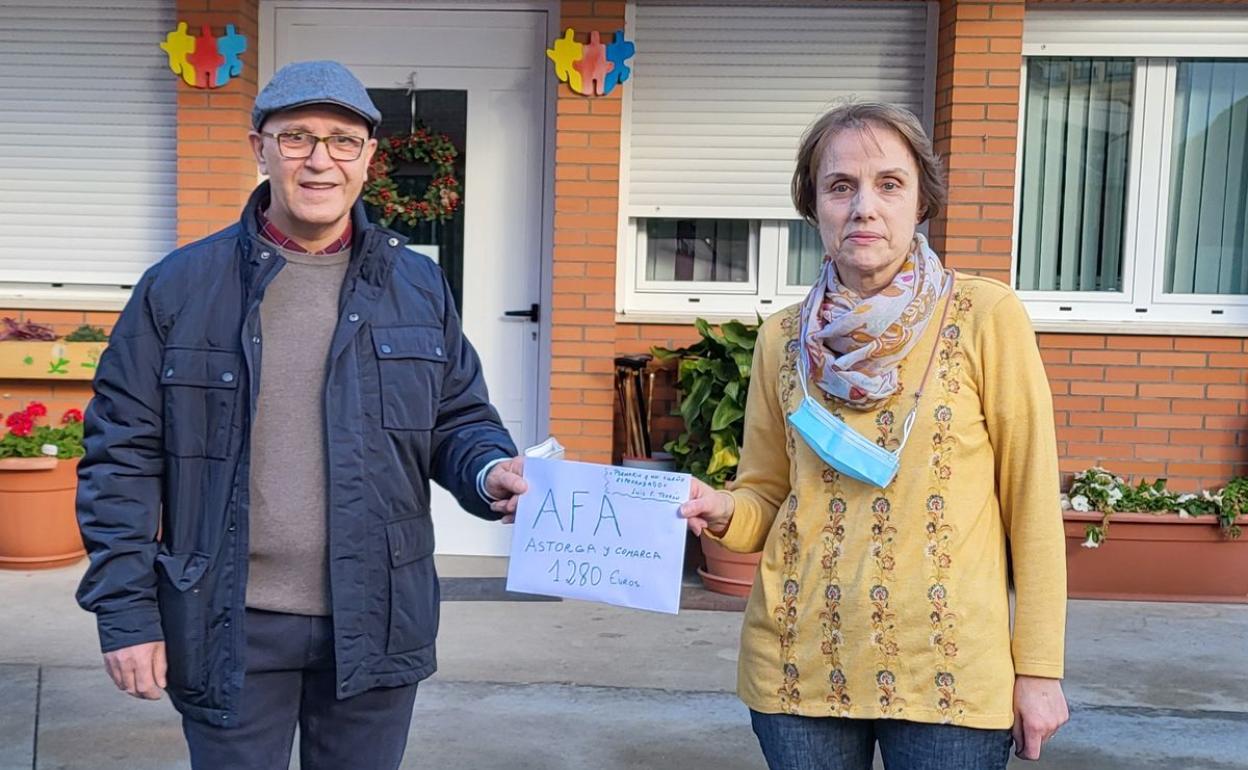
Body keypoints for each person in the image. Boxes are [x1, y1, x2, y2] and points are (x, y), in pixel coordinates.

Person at [74, 60, 527, 770]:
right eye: (297, 138)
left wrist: (489, 470)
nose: (320, 160)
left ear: (369, 158)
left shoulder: (415, 284)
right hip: (227, 619)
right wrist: (126, 613)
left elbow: (457, 417)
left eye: (343, 141)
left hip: (378, 613)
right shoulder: (180, 287)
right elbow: (121, 458)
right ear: (260, 148)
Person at [680, 102, 1069, 770]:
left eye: (889, 184)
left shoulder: (984, 316)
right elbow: (766, 498)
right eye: (840, 186)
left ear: (921, 202)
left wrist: (1038, 668)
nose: (864, 207)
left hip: (948, 673)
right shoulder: (783, 339)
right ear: (814, 206)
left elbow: (1031, 502)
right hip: (798, 669)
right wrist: (720, 509)